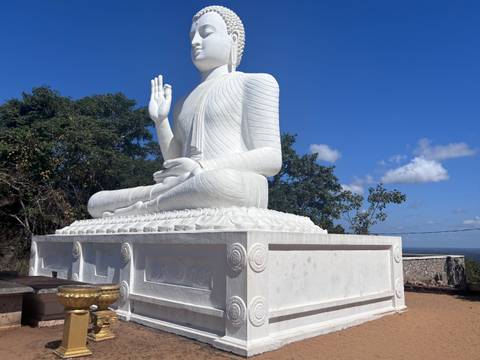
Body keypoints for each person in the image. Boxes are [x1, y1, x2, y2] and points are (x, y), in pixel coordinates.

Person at [87, 5, 281, 218]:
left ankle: (142, 209)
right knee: (96, 202)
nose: (195, 41)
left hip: (231, 181)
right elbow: (175, 159)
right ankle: (158, 201)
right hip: (183, 184)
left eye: (206, 33)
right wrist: (160, 122)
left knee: (219, 183)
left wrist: (202, 166)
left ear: (233, 39)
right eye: (192, 36)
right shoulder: (182, 102)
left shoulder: (255, 83)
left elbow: (271, 158)